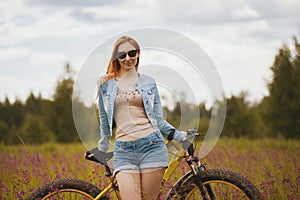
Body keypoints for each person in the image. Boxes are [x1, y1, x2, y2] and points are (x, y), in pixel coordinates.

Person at [94, 35, 193, 200]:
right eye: (122, 55)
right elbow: (104, 120)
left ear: (138, 54)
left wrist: (179, 135)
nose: (127, 58)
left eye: (132, 53)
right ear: (116, 58)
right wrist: (102, 148)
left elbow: (158, 119)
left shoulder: (149, 83)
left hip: (152, 146)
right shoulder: (105, 84)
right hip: (123, 151)